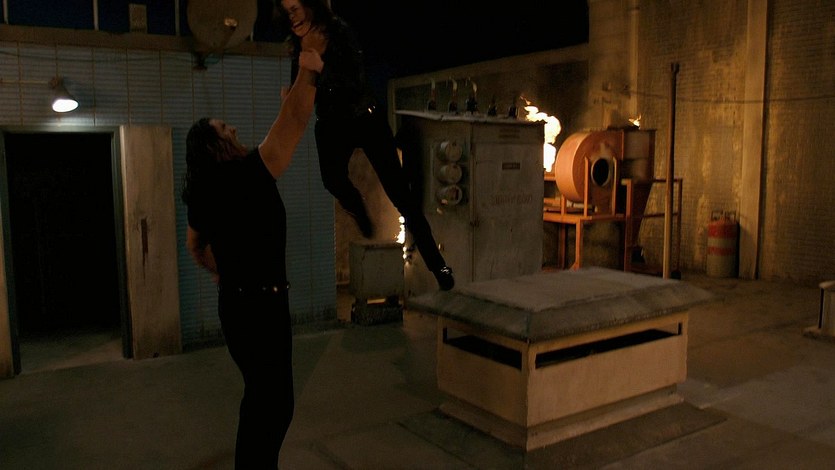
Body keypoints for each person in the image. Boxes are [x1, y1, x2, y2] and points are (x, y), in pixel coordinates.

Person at [181, 31, 323, 469]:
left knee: (262, 398)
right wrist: (309, 69)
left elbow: (194, 245)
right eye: (226, 128)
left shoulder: (203, 190)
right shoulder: (249, 173)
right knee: (274, 403)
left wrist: (221, 271)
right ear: (215, 145)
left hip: (236, 308)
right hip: (262, 309)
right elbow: (294, 122)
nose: (235, 129)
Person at [276, 0, 455, 291]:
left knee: (403, 198)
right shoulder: (297, 46)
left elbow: (355, 81)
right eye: (286, 11)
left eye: (295, 7)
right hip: (332, 123)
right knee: (331, 179)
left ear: (310, 6)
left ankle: (440, 267)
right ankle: (358, 207)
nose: (292, 15)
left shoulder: (339, 32)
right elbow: (303, 88)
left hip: (365, 116)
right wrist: (292, 97)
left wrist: (321, 67)